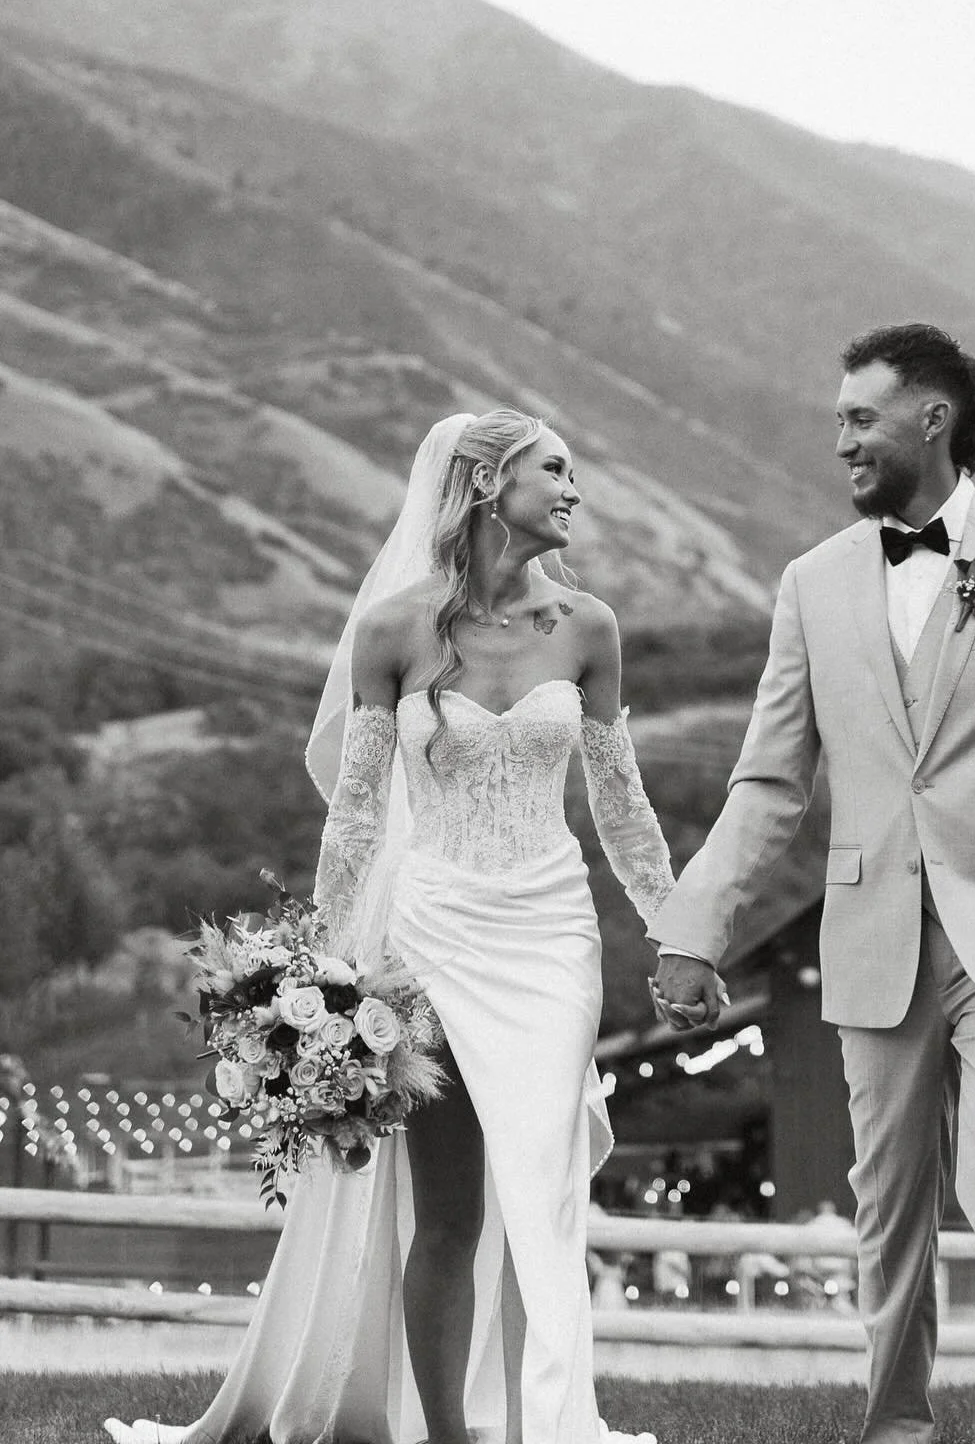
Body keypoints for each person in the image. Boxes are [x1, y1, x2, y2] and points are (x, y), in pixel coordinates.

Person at [107, 410, 671, 1444]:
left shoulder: (589, 628)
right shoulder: (394, 630)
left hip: (551, 934)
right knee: (450, 1209)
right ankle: (447, 1435)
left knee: (541, 1192)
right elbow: (359, 817)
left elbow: (621, 805)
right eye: (555, 469)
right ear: (488, 484)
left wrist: (675, 931)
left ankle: (553, 1426)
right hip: (432, 937)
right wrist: (315, 968)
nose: (574, 489)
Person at [650, 324, 975, 1444]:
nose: (841, 440)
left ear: (933, 419)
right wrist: (695, 929)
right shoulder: (812, 583)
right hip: (873, 931)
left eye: (859, 417)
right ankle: (895, 1429)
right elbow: (769, 781)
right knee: (888, 1211)